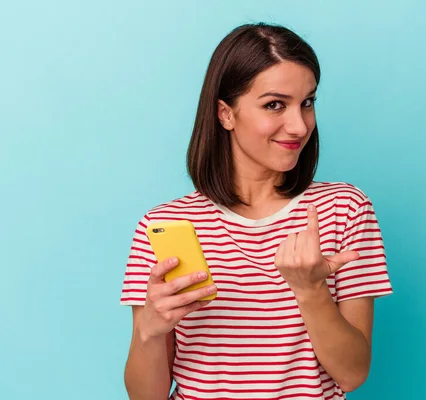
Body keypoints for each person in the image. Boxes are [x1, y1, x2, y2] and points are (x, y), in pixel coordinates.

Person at [120, 22, 393, 400]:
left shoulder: (344, 209)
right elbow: (145, 396)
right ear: (225, 114)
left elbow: (352, 374)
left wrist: (311, 290)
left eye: (308, 102)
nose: (299, 125)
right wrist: (149, 330)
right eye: (275, 105)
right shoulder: (164, 226)